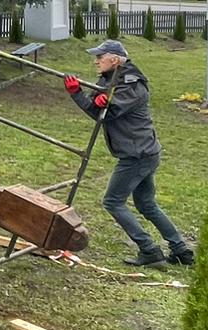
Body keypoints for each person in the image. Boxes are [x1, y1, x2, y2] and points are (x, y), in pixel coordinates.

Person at [66, 39, 194, 268]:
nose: (96, 61)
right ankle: (181, 250)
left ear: (114, 59)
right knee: (146, 203)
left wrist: (79, 96)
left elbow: (105, 114)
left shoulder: (131, 85)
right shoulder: (112, 79)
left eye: (100, 57)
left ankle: (149, 250)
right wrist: (85, 96)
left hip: (137, 155)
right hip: (143, 151)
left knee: (113, 202)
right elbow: (97, 109)